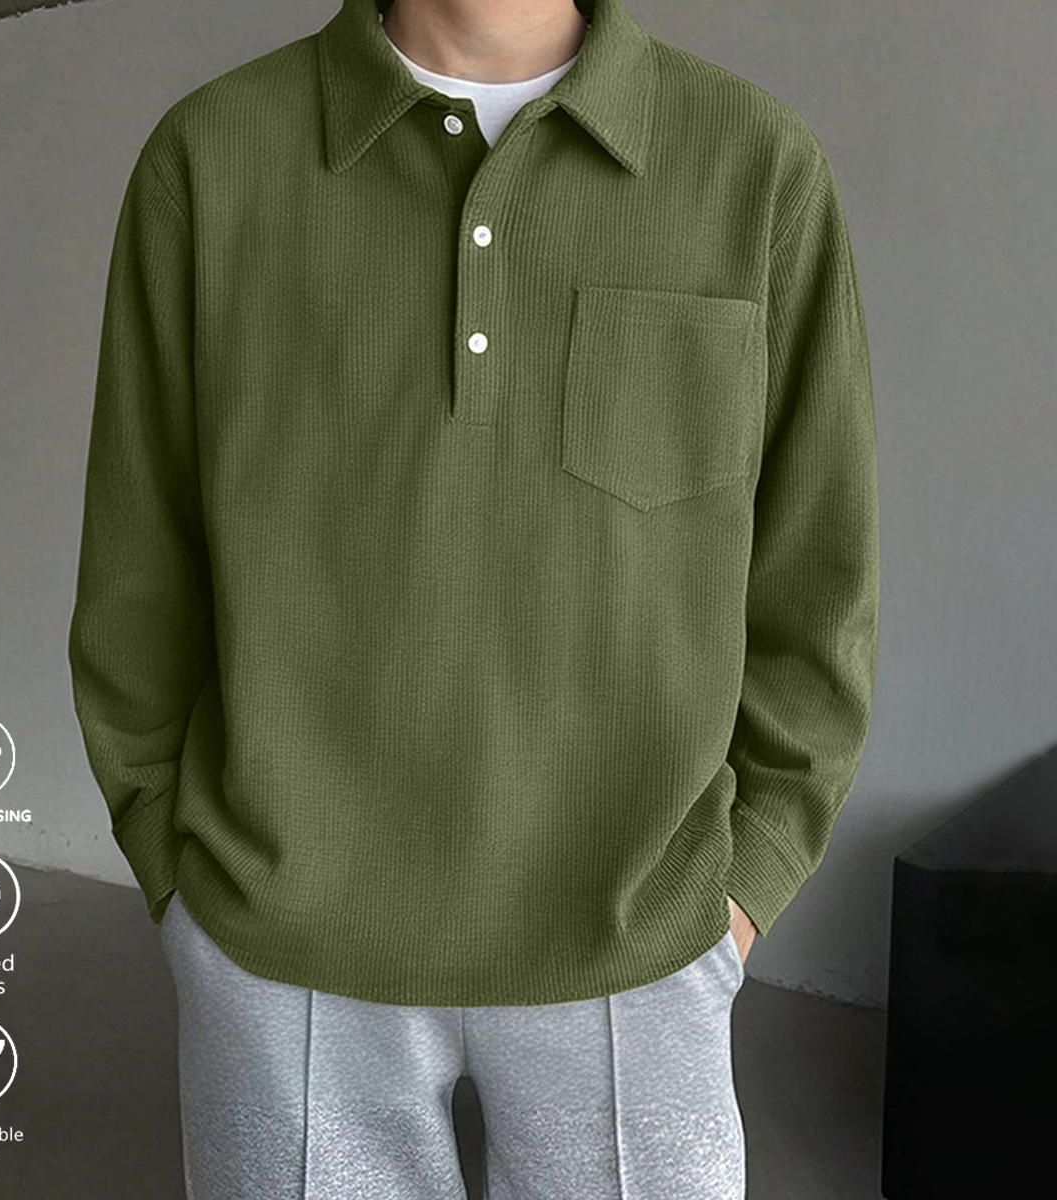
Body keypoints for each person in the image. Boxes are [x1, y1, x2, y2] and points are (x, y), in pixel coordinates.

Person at [67, 0, 879, 1195]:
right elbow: (138, 561)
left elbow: (819, 575)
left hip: (642, 933)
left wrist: (746, 880)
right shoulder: (212, 157)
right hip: (279, 936)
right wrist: (174, 863)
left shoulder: (754, 165)